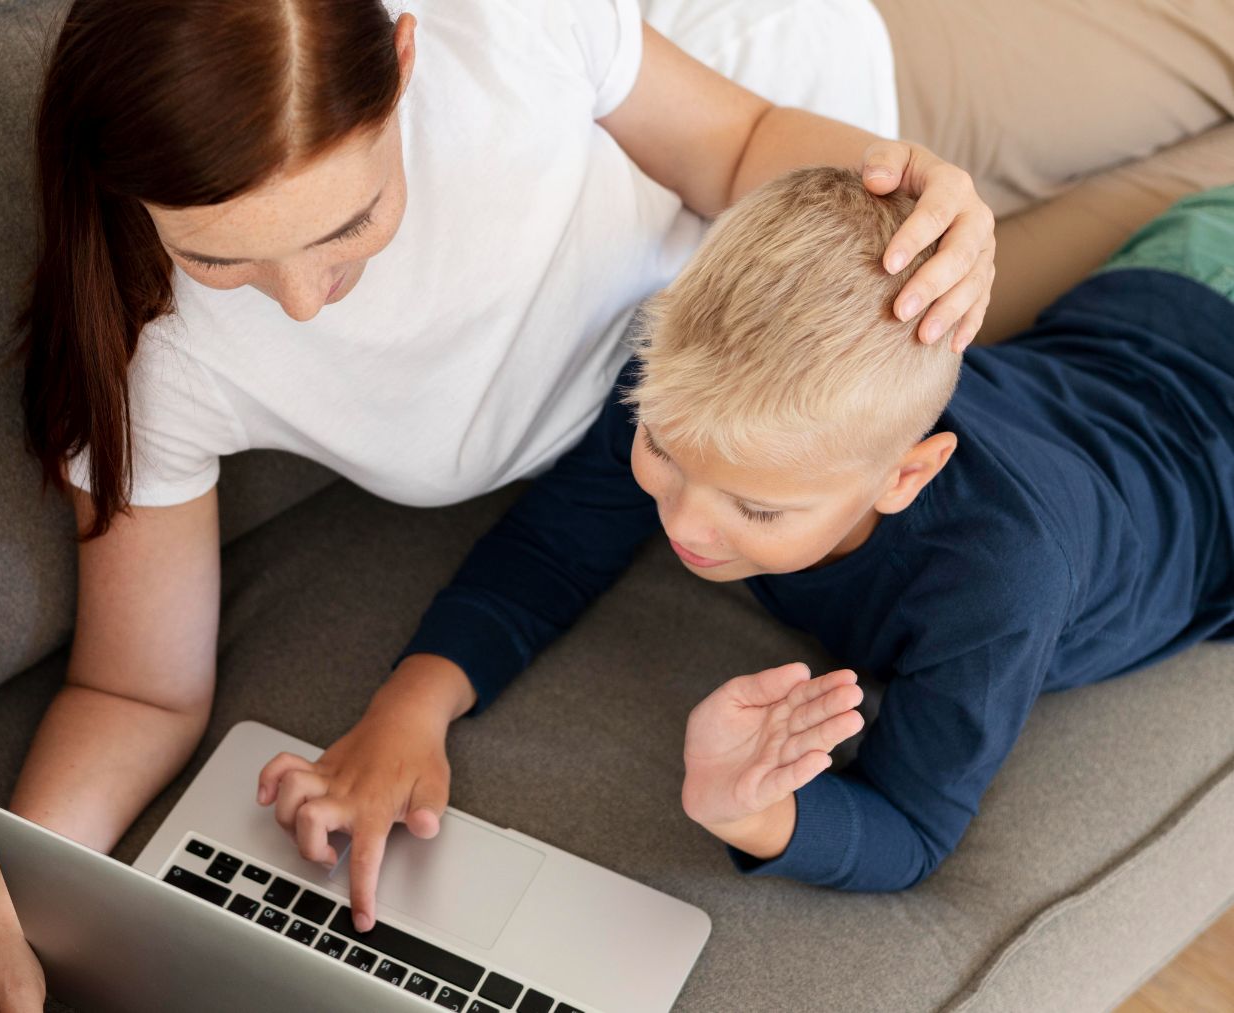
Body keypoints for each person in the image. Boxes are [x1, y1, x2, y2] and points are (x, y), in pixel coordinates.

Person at [0, 0, 1234, 1005]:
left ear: (406, 63)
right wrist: (18, 894)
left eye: (349, 224)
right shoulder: (161, 366)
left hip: (845, 155)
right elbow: (144, 682)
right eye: (220, 256)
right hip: (935, 364)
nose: (301, 301)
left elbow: (740, 146)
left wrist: (920, 194)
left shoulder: (501, 32)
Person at [283, 166, 1234, 891]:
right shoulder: (684, 388)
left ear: (905, 476)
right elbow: (550, 549)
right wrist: (410, 707)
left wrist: (752, 812)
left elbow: (911, 828)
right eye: (662, 451)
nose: (685, 522)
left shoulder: (999, 579)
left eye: (760, 509)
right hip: (1167, 289)